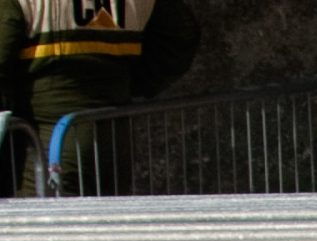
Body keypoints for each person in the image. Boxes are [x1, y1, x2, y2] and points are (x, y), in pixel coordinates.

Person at [0, 0, 198, 195]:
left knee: (45, 224)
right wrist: (127, 84)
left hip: (45, 150)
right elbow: (181, 38)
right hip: (113, 142)